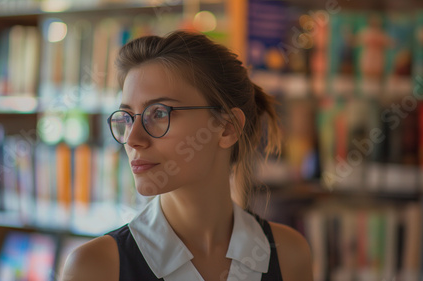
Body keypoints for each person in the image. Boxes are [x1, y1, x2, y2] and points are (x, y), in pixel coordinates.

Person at [62, 30, 313, 281]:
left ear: (227, 128)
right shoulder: (95, 267)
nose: (133, 139)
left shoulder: (287, 254)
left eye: (159, 113)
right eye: (128, 118)